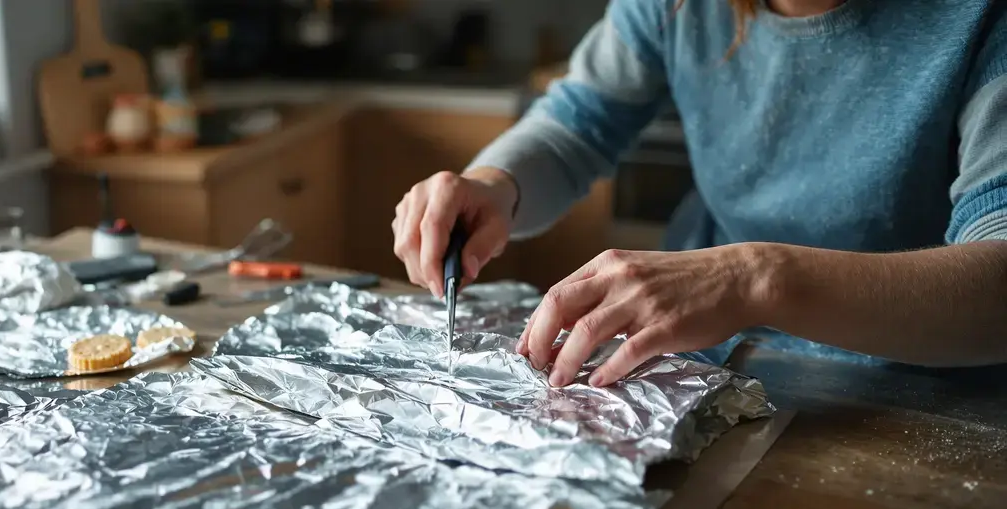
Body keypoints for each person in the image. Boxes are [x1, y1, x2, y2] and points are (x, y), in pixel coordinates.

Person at [390, 0, 1007, 388]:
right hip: (720, 366)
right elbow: (577, 124)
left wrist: (753, 280)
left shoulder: (981, 19)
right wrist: (496, 185)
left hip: (918, 388)